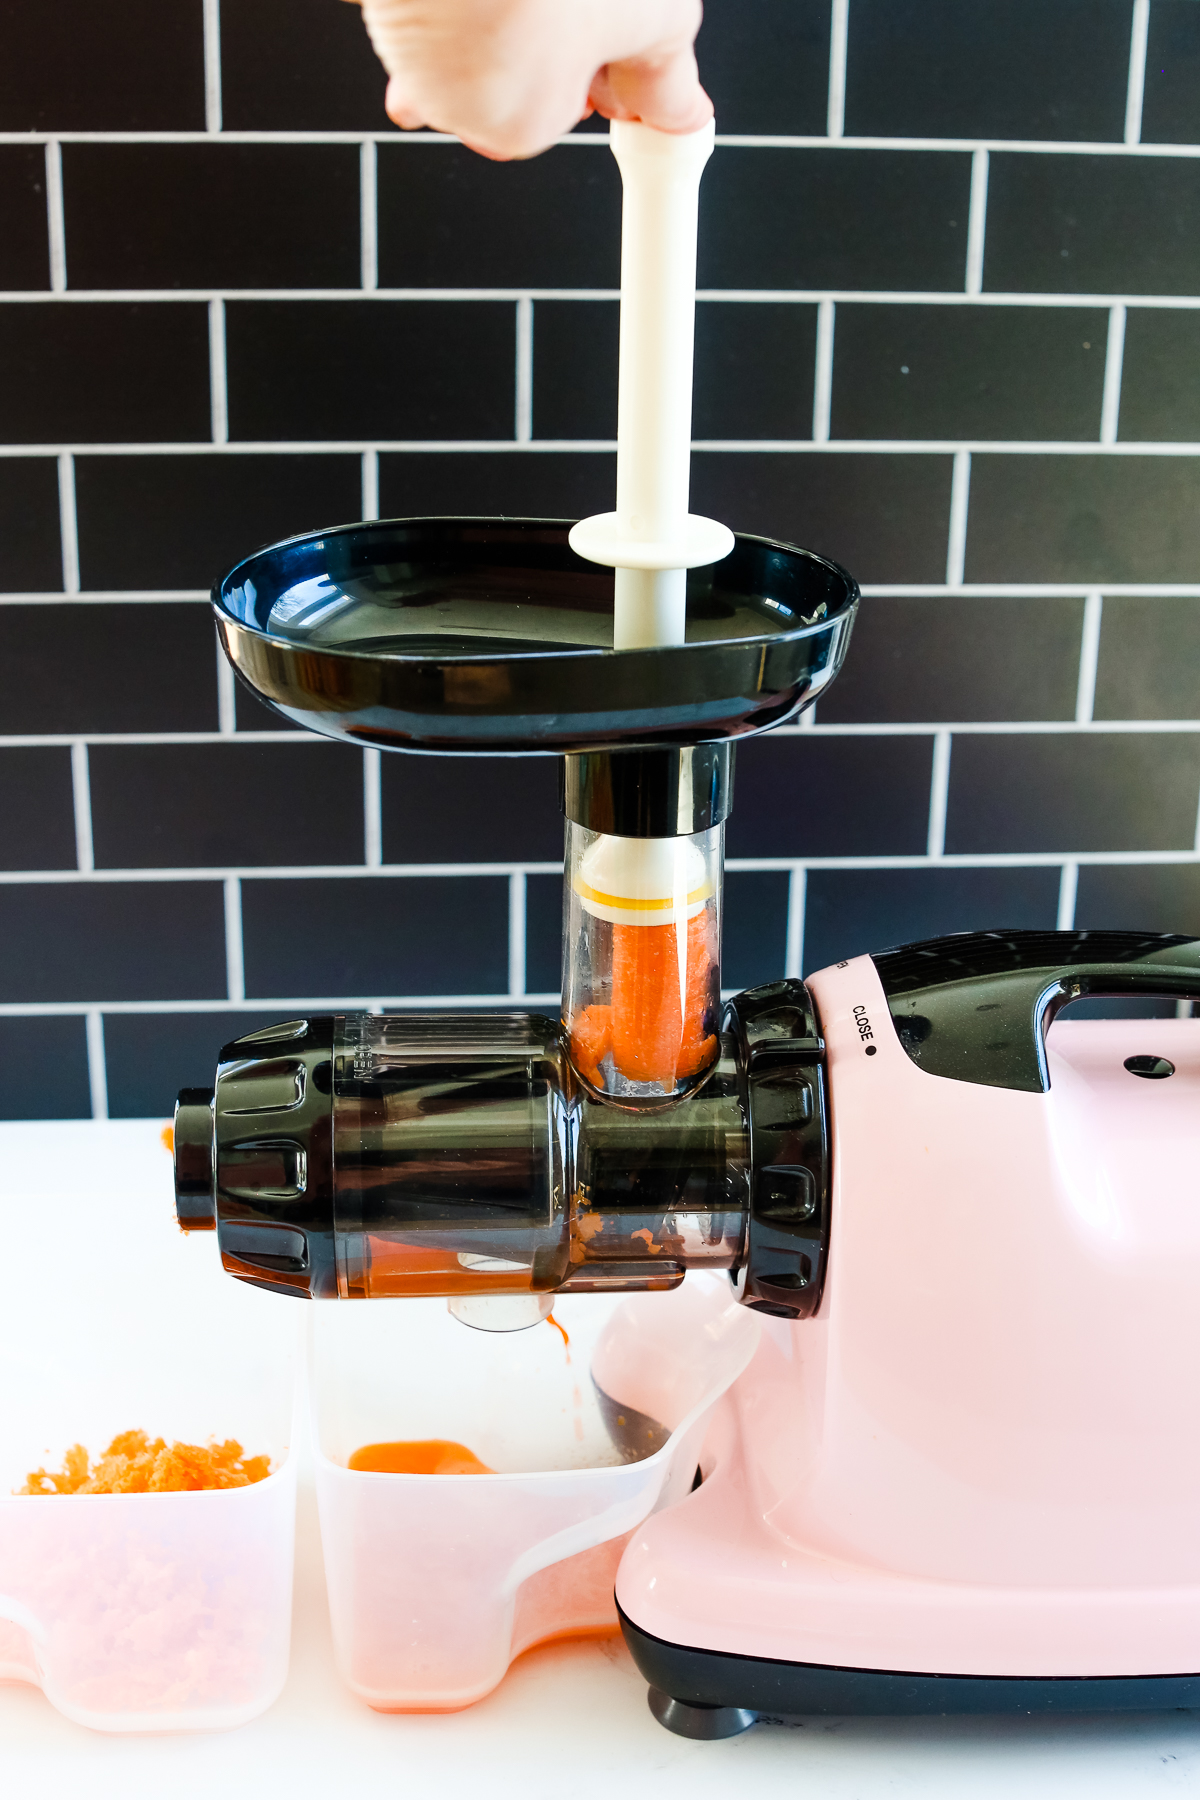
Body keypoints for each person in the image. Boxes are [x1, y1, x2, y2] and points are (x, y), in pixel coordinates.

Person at [348, 0, 711, 160]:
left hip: (436, 77)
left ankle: (424, 93)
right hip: (520, 116)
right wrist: (689, 117)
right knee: (670, 30)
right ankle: (681, 111)